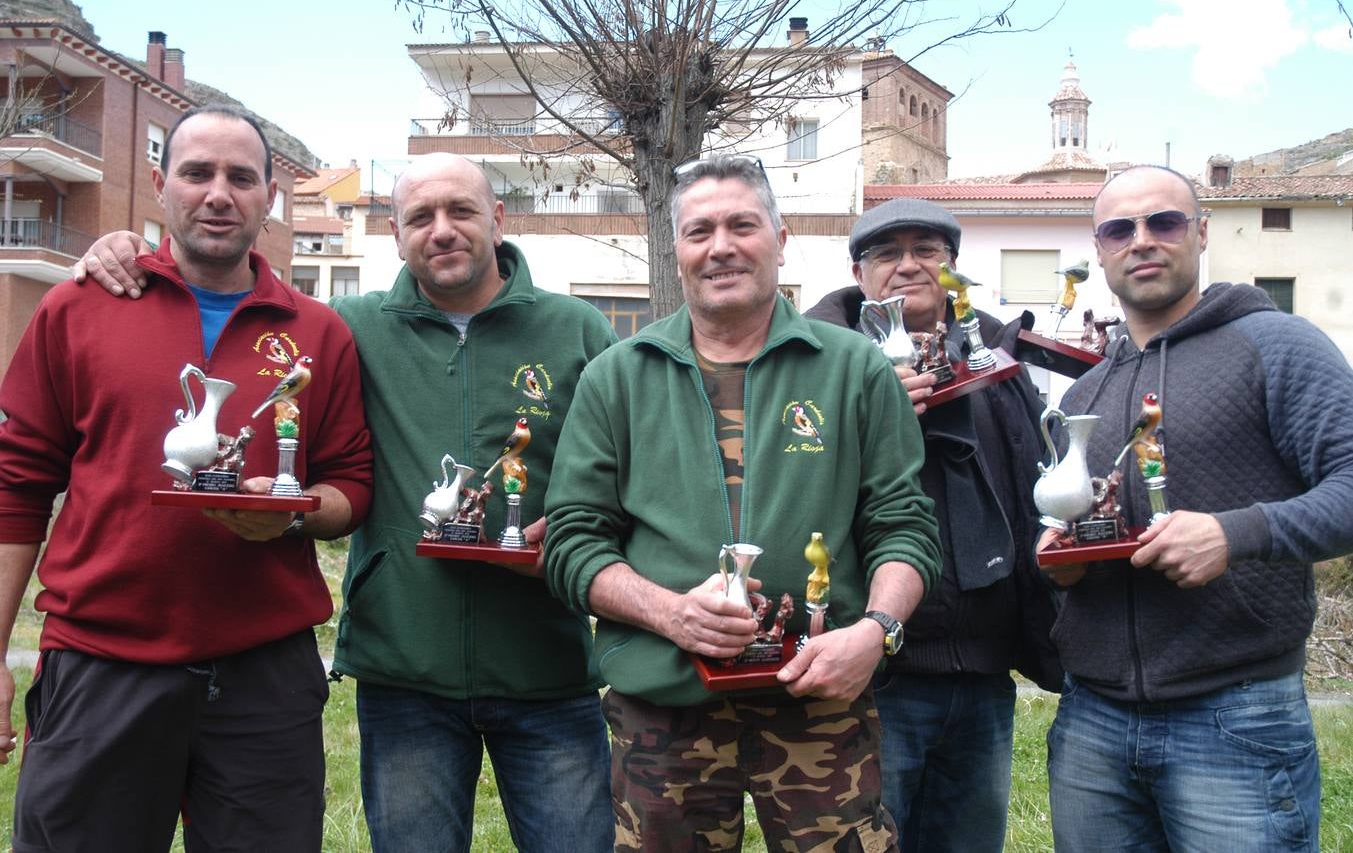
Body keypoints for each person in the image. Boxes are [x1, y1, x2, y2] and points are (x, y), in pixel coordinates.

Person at [76, 152, 618, 852]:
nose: (441, 230)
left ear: (498, 220)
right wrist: (125, 249)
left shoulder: (577, 331)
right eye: (420, 216)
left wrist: (579, 537)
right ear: (394, 233)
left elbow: (616, 473)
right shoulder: (346, 329)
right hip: (403, 671)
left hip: (548, 667)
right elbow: (240, 318)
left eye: (461, 211)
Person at [0, 104, 374, 851]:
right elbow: (15, 483)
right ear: (158, 184)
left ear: (270, 197)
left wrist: (295, 515)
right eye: (197, 172)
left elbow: (351, 483)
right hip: (101, 663)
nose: (217, 193)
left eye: (241, 177)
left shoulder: (315, 333)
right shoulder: (80, 306)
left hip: (263, 676)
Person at [544, 154, 943, 851]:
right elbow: (573, 542)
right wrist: (671, 613)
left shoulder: (853, 369)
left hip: (819, 701)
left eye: (741, 225)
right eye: (699, 231)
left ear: (780, 239)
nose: (721, 246)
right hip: (663, 708)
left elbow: (903, 527)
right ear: (676, 250)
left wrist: (875, 630)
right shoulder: (618, 377)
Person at [1040, 164, 1353, 852]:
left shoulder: (1275, 345)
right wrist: (1062, 567)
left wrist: (1235, 533)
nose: (1141, 241)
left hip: (1235, 714)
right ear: (1099, 249)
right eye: (1119, 228)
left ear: (1200, 233)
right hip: (1091, 719)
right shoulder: (1083, 396)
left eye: (1164, 222)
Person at [804, 197, 1061, 852]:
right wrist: (876, 423)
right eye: (886, 253)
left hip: (981, 675)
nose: (907, 266)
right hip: (869, 676)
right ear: (858, 272)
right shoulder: (813, 366)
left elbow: (1036, 487)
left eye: (927, 251)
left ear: (952, 269)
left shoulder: (1000, 362)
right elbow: (793, 493)